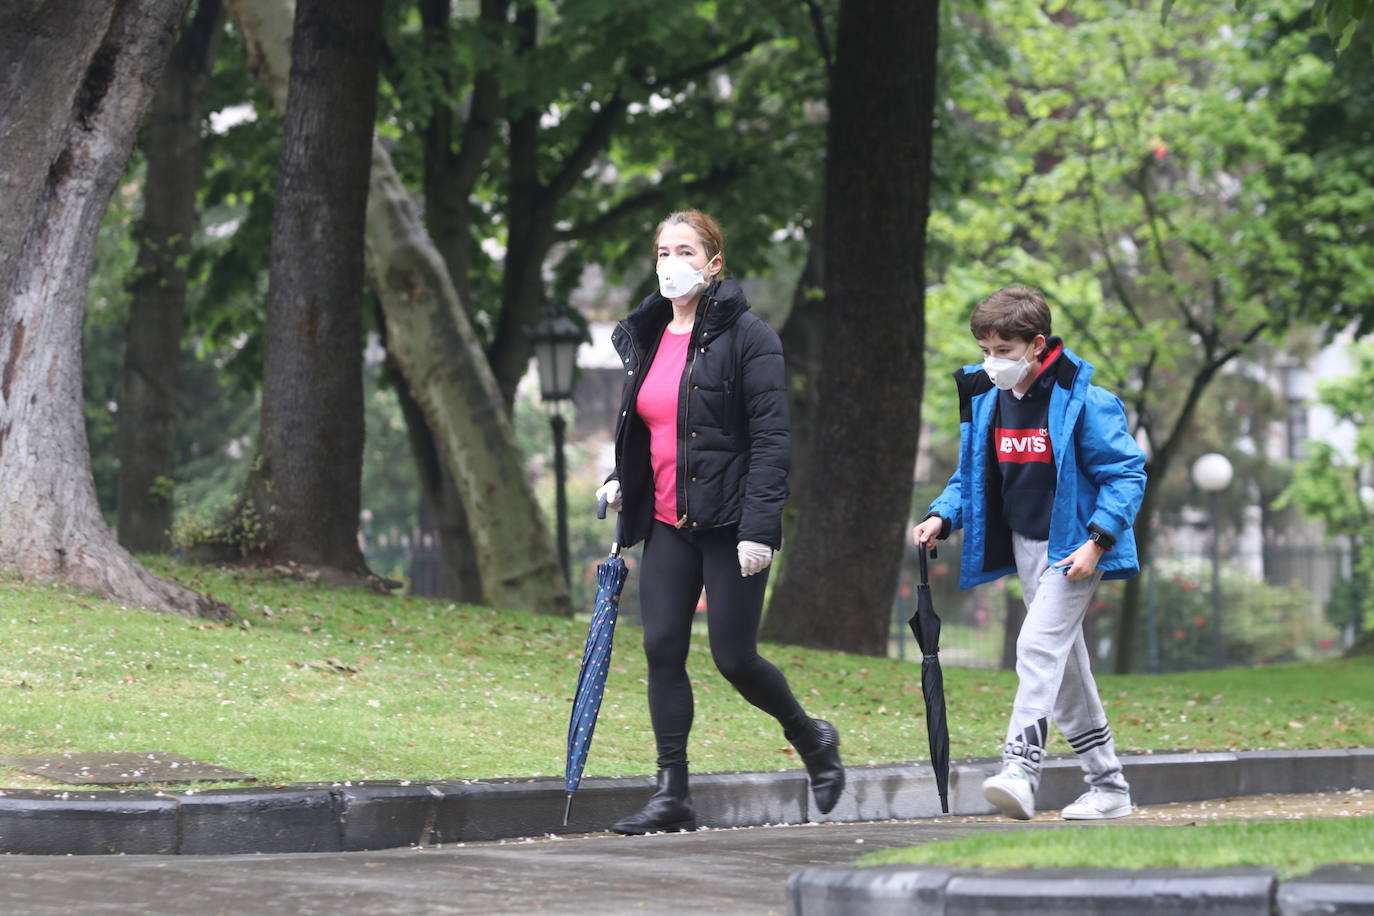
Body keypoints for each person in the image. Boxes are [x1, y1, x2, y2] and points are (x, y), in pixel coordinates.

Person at [595, 209, 844, 835]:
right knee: (661, 648)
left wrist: (759, 529)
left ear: (714, 264)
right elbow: (648, 424)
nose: (670, 263)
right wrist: (622, 476)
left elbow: (771, 440)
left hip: (731, 521)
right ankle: (672, 792)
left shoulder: (750, 336)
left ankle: (811, 737)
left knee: (734, 657)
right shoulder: (646, 334)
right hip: (667, 519)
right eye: (661, 251)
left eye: (684, 251)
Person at [911, 286, 1147, 822]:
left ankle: (1020, 769)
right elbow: (974, 472)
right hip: (1026, 545)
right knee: (1066, 673)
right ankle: (1109, 786)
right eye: (985, 350)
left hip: (1073, 549)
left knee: (1036, 648)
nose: (992, 362)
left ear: (1037, 345)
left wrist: (1097, 542)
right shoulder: (990, 399)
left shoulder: (1085, 400)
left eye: (1004, 351)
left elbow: (1126, 475)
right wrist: (943, 514)